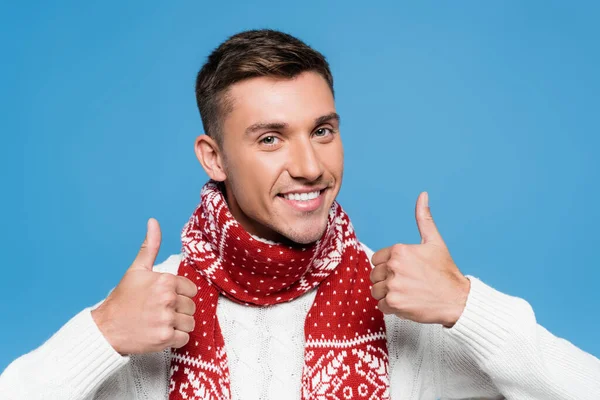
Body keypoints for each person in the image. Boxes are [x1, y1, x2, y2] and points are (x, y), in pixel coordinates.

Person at [1, 29, 599, 400]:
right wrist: (99, 335)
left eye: (322, 130)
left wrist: (470, 308)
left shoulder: (406, 301)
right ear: (213, 157)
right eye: (270, 139)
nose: (311, 166)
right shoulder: (152, 313)